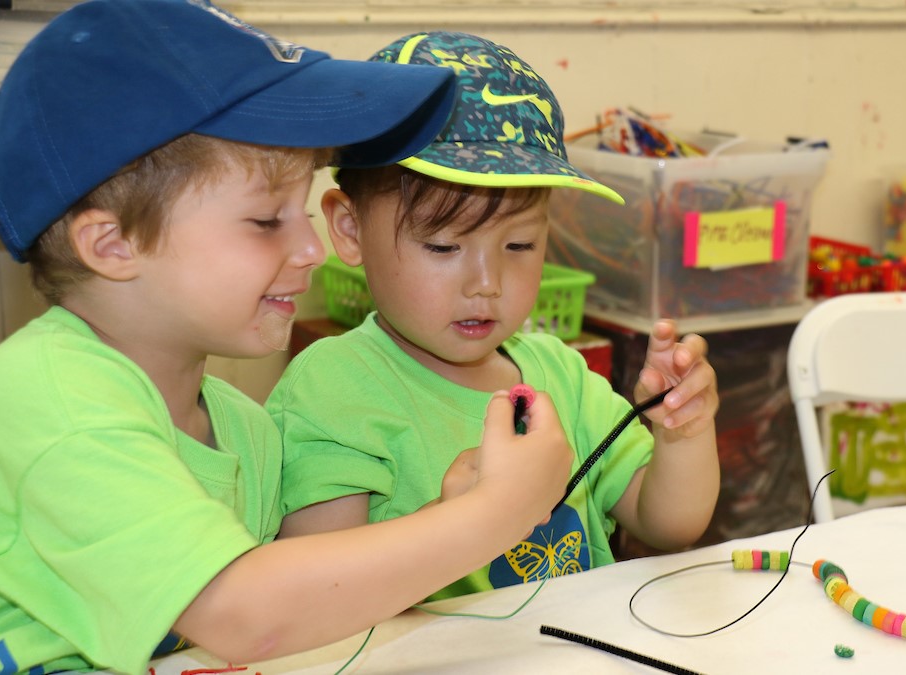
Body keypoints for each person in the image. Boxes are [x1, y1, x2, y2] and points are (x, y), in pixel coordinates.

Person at [0, 4, 575, 674]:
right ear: (113, 244)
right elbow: (243, 613)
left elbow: (288, 606)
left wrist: (439, 515)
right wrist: (497, 513)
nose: (313, 247)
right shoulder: (51, 403)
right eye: (265, 220)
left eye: (303, 211)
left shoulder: (241, 430)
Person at [268, 31, 721, 600]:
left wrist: (684, 432)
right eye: (443, 247)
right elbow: (315, 596)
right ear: (350, 229)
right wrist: (457, 520)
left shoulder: (561, 376)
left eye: (519, 246)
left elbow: (670, 525)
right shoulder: (330, 392)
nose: (487, 283)